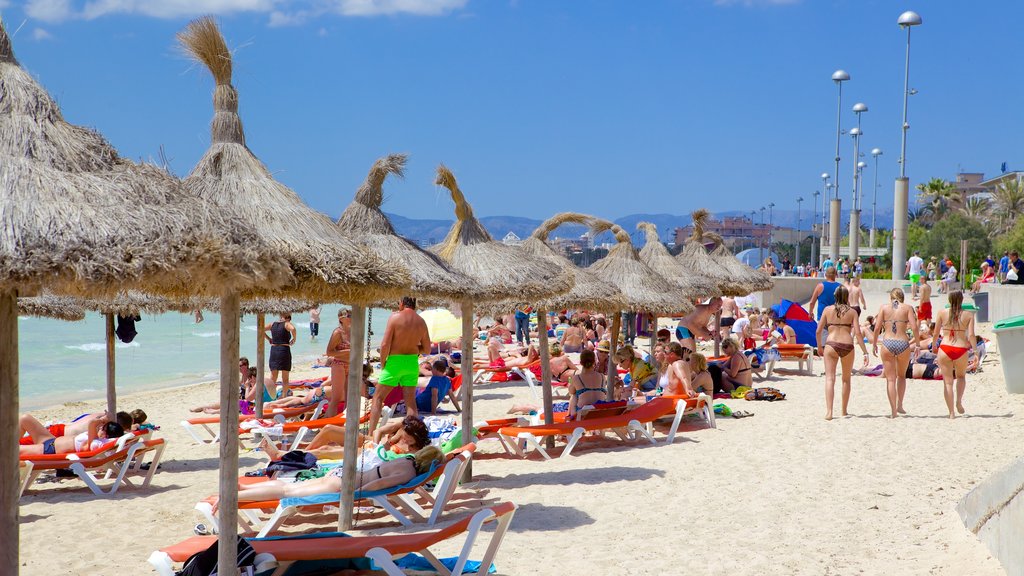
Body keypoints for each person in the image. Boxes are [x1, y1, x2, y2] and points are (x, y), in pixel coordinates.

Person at [238, 445, 443, 502]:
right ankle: (237, 496)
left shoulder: (405, 459)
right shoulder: (408, 473)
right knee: (286, 493)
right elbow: (379, 485)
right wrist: (356, 496)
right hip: (344, 485)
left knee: (288, 487)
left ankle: (246, 487)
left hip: (344, 472)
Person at [369, 297, 431, 434]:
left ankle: (370, 434)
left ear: (401, 303)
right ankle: (413, 434)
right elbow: (427, 349)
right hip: (411, 363)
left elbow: (385, 344)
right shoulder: (421, 321)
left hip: (395, 362)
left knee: (378, 398)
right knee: (410, 402)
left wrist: (383, 361)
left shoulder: (395, 317)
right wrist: (414, 349)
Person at [816, 285, 869, 420]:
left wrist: (819, 347)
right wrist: (865, 352)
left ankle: (829, 412)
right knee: (846, 379)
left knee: (830, 378)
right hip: (847, 344)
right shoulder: (852, 312)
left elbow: (818, 331)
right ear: (847, 297)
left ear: (835, 296)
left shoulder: (828, 310)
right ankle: (844, 411)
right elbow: (857, 333)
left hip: (831, 344)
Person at [871, 288, 920, 418]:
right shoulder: (908, 308)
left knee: (890, 379)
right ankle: (900, 405)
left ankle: (893, 411)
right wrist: (918, 344)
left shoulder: (884, 308)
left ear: (891, 298)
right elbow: (914, 327)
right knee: (902, 376)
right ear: (902, 298)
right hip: (903, 343)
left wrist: (875, 343)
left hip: (887, 343)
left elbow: (876, 327)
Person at [930, 290, 977, 419]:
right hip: (961, 349)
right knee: (961, 377)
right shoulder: (968, 315)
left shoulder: (942, 313)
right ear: (962, 300)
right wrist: (976, 351)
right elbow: (972, 335)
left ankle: (951, 413)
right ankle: (958, 402)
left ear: (949, 300)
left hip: (945, 348)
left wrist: (934, 345)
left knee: (948, 382)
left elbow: (935, 333)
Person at [19, 413, 125, 456]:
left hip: (49, 450)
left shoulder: (94, 443)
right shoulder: (95, 439)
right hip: (51, 440)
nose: (101, 427)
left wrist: (102, 419)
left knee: (13, 452)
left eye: (103, 428)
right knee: (25, 418)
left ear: (106, 436)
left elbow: (92, 423)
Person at [564, 350, 608, 419]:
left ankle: (569, 415)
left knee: (574, 394)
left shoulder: (577, 377)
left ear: (581, 363)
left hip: (582, 414)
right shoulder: (602, 376)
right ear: (594, 362)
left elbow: (571, 392)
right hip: (599, 411)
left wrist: (570, 384)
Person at [324, 309, 352, 418]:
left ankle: (345, 425)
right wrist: (347, 351)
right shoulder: (338, 333)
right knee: (336, 398)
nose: (351, 318)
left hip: (351, 365)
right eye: (349, 316)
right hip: (339, 364)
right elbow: (329, 352)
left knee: (349, 398)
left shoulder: (353, 331)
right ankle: (326, 424)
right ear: (341, 319)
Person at [265, 313, 297, 394]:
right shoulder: (287, 324)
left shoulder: (272, 324)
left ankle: (270, 395)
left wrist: (269, 339)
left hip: (274, 350)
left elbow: (260, 329)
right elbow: (293, 329)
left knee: (273, 377)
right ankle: (284, 396)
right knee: (285, 378)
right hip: (284, 350)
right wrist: (294, 339)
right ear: (288, 318)